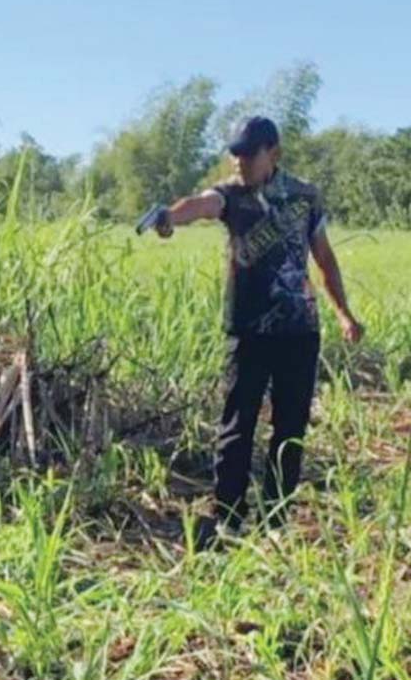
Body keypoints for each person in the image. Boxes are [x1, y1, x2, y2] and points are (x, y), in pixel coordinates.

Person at [150, 116, 363, 551]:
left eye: (249, 154)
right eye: (235, 153)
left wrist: (343, 312)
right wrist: (169, 217)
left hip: (299, 330)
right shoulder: (230, 195)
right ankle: (227, 517)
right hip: (248, 330)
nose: (239, 161)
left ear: (274, 153)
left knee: (290, 427)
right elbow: (200, 204)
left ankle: (275, 521)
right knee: (237, 425)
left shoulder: (305, 197)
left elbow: (323, 257)